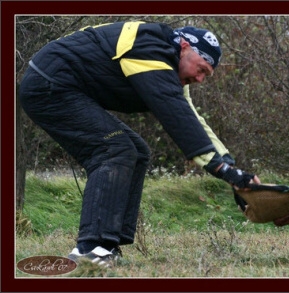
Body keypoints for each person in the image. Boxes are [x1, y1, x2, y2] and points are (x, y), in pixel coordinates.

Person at [19, 21, 260, 267]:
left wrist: (231, 168)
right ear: (185, 46)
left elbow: (193, 119)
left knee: (138, 152)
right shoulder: (148, 50)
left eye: (206, 75)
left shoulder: (165, 59)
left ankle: (108, 245)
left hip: (63, 87)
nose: (199, 79)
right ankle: (89, 249)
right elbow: (175, 115)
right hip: (48, 87)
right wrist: (223, 171)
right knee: (114, 149)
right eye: (201, 70)